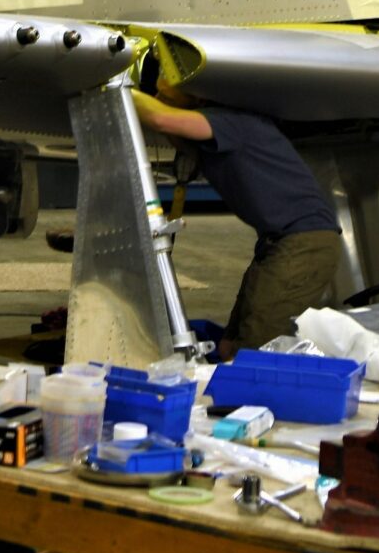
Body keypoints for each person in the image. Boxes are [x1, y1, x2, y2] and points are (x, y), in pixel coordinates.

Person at [130, 82, 344, 353]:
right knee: (230, 344)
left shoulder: (232, 122)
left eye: (166, 90)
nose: (159, 95)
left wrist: (119, 89)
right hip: (278, 243)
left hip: (304, 244)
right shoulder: (219, 135)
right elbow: (170, 128)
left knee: (258, 344)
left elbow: (160, 118)